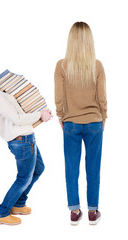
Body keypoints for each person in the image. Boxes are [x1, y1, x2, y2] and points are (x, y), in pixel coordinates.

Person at [0, 56, 52, 225]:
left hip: (24, 139)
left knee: (38, 169)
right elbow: (17, 118)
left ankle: (18, 204)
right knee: (23, 178)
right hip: (22, 141)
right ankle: (2, 212)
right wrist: (40, 115)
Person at [54, 22, 107, 225]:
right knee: (94, 168)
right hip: (94, 122)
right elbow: (102, 97)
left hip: (71, 124)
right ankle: (93, 212)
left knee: (71, 168)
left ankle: (74, 211)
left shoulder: (62, 65)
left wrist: (61, 116)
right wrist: (104, 117)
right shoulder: (97, 65)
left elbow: (59, 96)